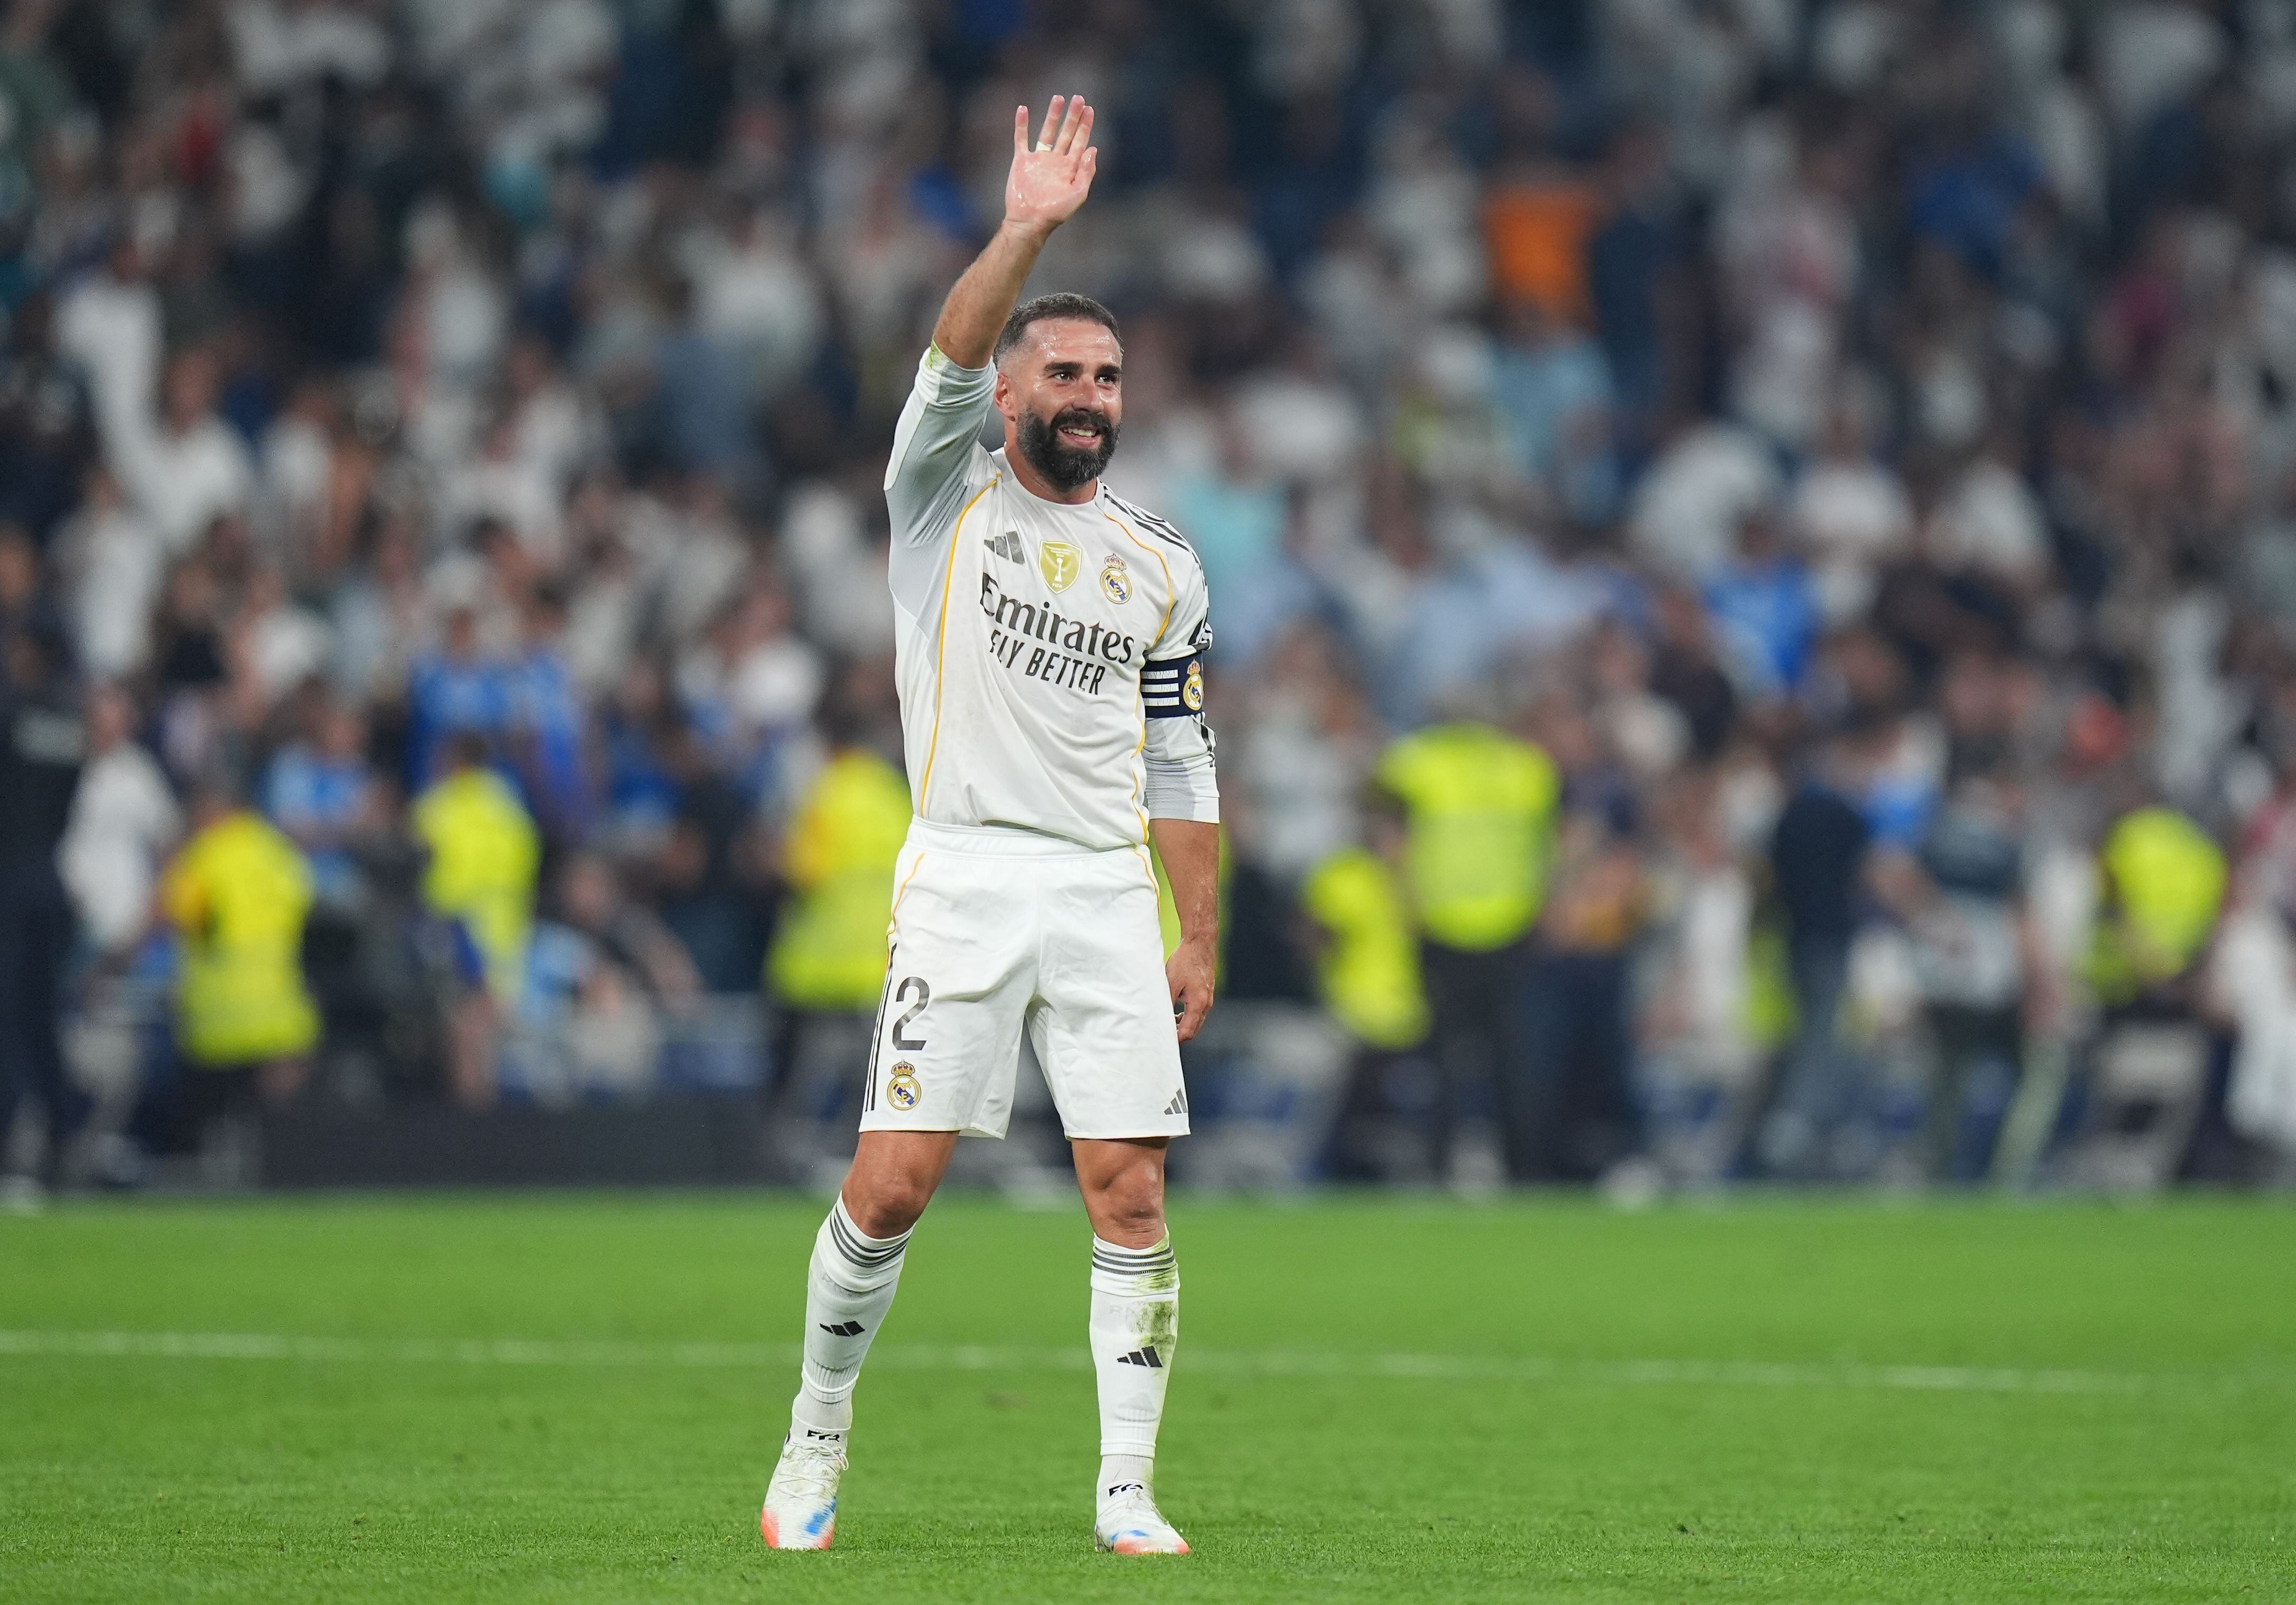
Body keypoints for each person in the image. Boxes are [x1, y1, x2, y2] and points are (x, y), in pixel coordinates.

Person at [759, 97, 1220, 1559]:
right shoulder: (937, 492)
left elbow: (1182, 758)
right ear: (1012, 392)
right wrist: (1024, 229)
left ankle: (1126, 1488)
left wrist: (1196, 928)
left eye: (1107, 375)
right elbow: (953, 347)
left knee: (1128, 1186)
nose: (1089, 394)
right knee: (893, 1182)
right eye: (1062, 371)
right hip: (962, 873)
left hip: (1101, 890)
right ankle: (815, 1427)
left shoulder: (1162, 563)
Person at [1368, 715, 1560, 1183]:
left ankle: (1441, 1167)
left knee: (1444, 1061)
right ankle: (1524, 1171)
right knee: (1513, 1061)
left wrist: (1401, 890)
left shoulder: (1420, 761)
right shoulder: (1527, 767)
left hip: (1442, 924)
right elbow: (1557, 840)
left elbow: (1383, 822)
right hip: (1511, 924)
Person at [159, 772, 320, 1160]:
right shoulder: (277, 850)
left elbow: (180, 914)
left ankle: (203, 1164)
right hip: (279, 1003)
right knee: (274, 1118)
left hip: (219, 1009)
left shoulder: (204, 855)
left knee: (211, 1118)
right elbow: (304, 905)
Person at [0, 615, 86, 1198]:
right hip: (50, 879)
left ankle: (10, 1132)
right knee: (44, 1019)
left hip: (9, 882)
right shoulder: (70, 722)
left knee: (7, 1017)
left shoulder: (10, 714)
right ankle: (60, 1134)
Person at [410, 731, 540, 1106]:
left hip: (457, 929)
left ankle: (475, 1120)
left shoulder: (440, 806)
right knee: (488, 1029)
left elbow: (412, 860)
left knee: (465, 1031)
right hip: (505, 928)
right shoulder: (511, 809)